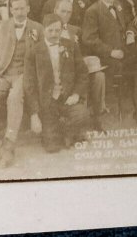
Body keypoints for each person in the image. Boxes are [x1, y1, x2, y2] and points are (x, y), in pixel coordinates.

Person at [0, 0, 42, 168]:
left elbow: (42, 56)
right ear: (11, 10)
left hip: (25, 75)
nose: (19, 12)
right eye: (15, 9)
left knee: (14, 97)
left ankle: (8, 144)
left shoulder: (38, 28)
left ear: (28, 8)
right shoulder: (0, 26)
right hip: (3, 74)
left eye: (22, 8)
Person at [25, 14, 90, 153]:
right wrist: (34, 114)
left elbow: (83, 73)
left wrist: (77, 94)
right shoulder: (34, 51)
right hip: (48, 103)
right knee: (52, 148)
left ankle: (67, 131)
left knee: (82, 114)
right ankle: (60, 131)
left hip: (68, 98)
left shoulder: (71, 45)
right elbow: (29, 85)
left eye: (57, 30)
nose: (54, 34)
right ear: (44, 30)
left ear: (61, 30)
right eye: (50, 31)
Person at [51, 0, 106, 131]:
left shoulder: (75, 30)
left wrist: (90, 61)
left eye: (69, 12)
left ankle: (97, 116)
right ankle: (73, 119)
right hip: (59, 73)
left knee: (99, 76)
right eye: (62, 11)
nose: (65, 15)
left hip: (78, 70)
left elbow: (85, 51)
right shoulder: (48, 29)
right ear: (55, 11)